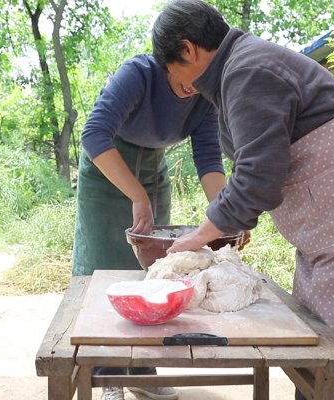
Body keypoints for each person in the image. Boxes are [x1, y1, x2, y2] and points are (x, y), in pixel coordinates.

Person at [151, 1, 334, 399]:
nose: (174, 79)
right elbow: (260, 157)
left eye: (169, 67)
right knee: (322, 348)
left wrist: (201, 236)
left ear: (188, 49)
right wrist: (234, 218)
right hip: (331, 224)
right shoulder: (242, 66)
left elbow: (257, 176)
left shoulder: (246, 70)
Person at [72, 53, 227, 400]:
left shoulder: (204, 91)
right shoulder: (138, 74)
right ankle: (106, 373)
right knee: (105, 273)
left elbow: (208, 156)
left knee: (151, 273)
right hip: (107, 173)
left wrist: (227, 212)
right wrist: (137, 196)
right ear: (169, 59)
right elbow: (95, 135)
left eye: (201, 78)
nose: (192, 86)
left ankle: (141, 368)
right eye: (184, 76)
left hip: (152, 174)